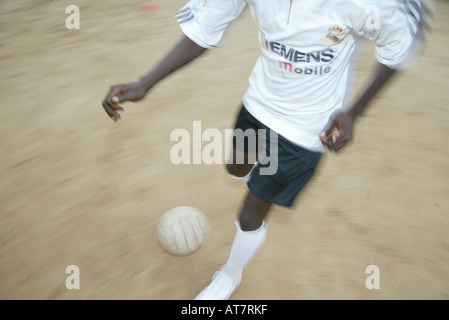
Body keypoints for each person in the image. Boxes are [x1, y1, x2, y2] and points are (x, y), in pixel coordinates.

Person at [101, 0, 433, 300]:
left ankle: (229, 275)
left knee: (250, 212)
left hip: (307, 129)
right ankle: (255, 178)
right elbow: (204, 30)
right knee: (235, 167)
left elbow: (398, 46)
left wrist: (354, 111)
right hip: (259, 105)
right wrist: (147, 81)